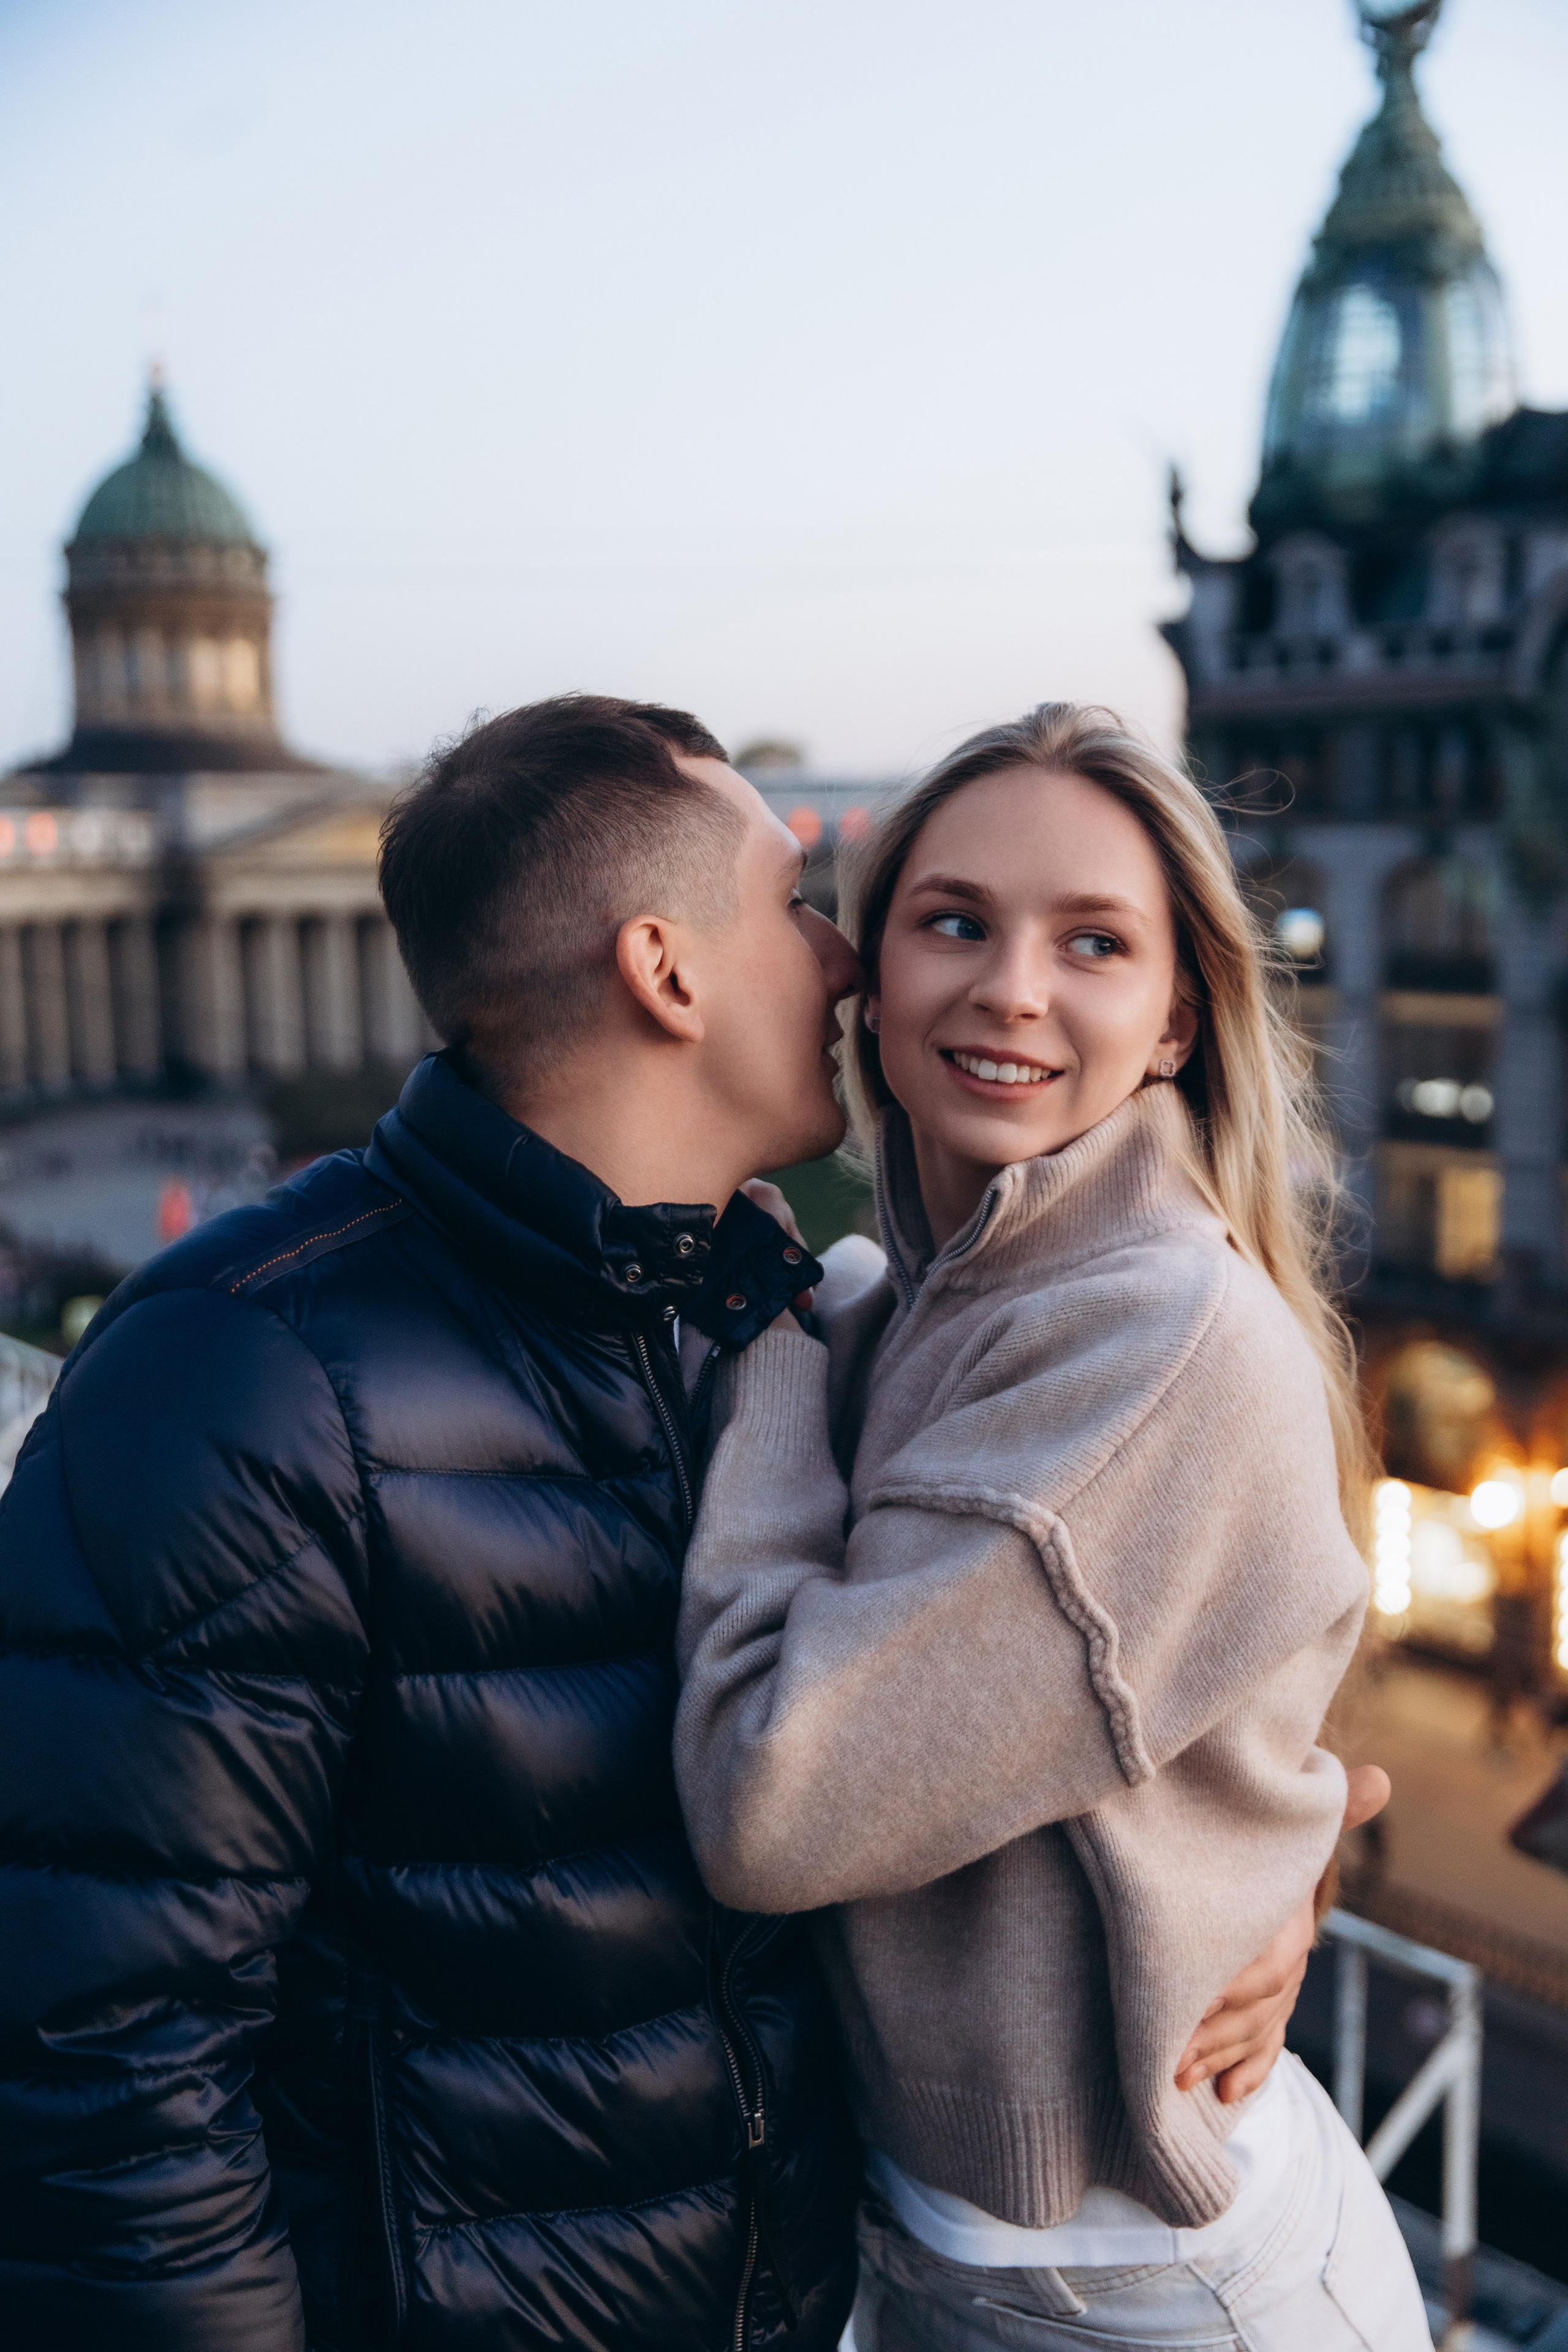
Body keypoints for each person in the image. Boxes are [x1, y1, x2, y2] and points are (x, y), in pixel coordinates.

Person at [0, 695, 1361, 2352]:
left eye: (1092, 944)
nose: (851, 963)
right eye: (808, 905)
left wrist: (1268, 1876)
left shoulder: (753, 1316)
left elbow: (1167, 1650)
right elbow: (107, 2060)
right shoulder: (242, 1379)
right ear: (667, 972)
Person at [673, 703, 1428, 2350]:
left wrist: (768, 1363)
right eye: (956, 921)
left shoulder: (1146, 1340)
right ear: (871, 981)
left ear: (1174, 1022)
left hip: (1135, 2286)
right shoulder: (921, 1301)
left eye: (1094, 943)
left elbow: (771, 1803)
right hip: (982, 2251)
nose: (1011, 987)